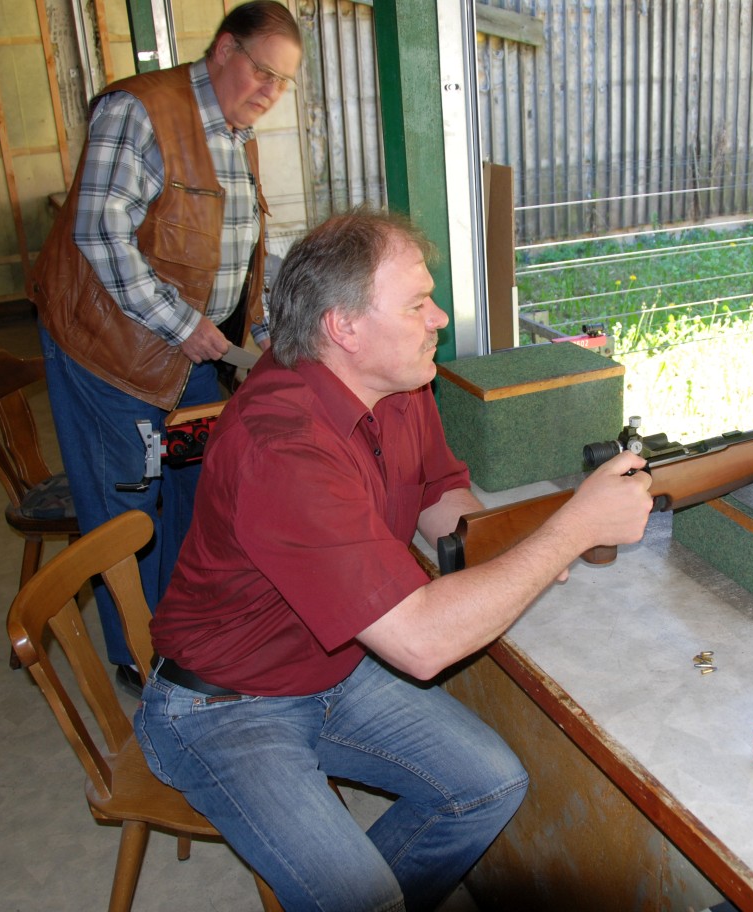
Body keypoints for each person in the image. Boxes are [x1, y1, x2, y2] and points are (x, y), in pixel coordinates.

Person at [133, 209, 654, 911]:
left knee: (487, 786)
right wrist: (567, 531)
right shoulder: (281, 445)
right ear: (343, 327)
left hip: (331, 667)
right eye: (416, 304)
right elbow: (420, 645)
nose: (439, 318)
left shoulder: (398, 383)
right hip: (223, 706)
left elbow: (437, 492)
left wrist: (515, 550)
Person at [28, 1, 302, 690]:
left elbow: (238, 253)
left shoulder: (236, 136)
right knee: (126, 505)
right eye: (263, 71)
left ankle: (181, 632)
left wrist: (260, 334)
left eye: (283, 81)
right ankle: (137, 658)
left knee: (194, 488)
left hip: (189, 354)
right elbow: (99, 231)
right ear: (224, 50)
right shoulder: (141, 109)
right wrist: (184, 325)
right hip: (112, 355)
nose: (270, 91)